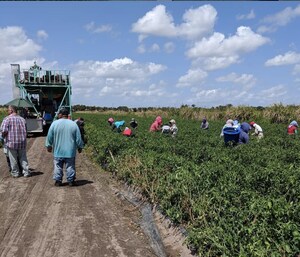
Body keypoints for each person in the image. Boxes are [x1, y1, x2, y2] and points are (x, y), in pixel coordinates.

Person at [45, 108, 83, 187]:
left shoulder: (54, 124)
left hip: (58, 151)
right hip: (70, 151)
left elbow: (49, 136)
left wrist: (49, 145)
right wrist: (80, 146)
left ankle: (58, 181)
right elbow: (78, 138)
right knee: (70, 166)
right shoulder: (73, 124)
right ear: (67, 115)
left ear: (60, 115)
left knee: (58, 166)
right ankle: (71, 181)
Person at [0, 105, 31, 177]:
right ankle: (26, 172)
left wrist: (3, 137)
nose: (7, 111)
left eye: (8, 110)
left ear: (11, 110)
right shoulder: (22, 119)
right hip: (22, 142)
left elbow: (4, 131)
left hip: (11, 142)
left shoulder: (7, 119)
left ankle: (15, 173)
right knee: (23, 158)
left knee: (13, 159)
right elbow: (26, 130)